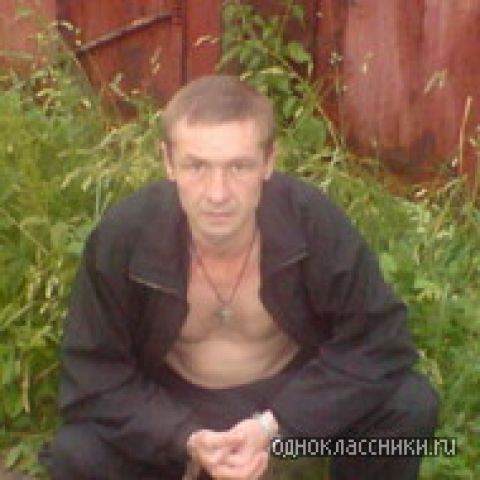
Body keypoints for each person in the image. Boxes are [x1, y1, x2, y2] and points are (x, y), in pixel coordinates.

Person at [46, 75, 439, 480]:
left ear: (268, 162)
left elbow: (380, 341)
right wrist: (183, 436)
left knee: (408, 404)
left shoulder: (310, 221)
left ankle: (288, 463)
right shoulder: (126, 236)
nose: (218, 193)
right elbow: (95, 372)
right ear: (168, 162)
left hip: (289, 406)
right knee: (78, 451)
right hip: (175, 406)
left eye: (239, 166)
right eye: (197, 166)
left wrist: (274, 426)